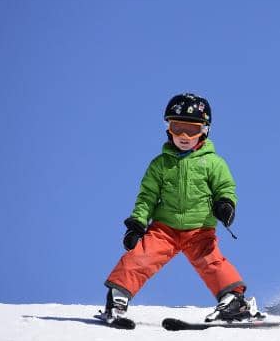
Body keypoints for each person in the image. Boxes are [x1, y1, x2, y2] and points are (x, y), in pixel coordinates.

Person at [101, 92, 255, 323]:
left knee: (212, 263)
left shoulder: (213, 162)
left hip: (200, 229)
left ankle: (233, 301)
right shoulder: (160, 165)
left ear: (204, 130)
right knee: (140, 258)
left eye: (191, 130)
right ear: (168, 129)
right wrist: (137, 224)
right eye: (177, 128)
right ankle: (118, 298)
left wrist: (225, 204)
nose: (184, 136)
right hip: (165, 229)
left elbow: (225, 187)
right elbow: (147, 197)